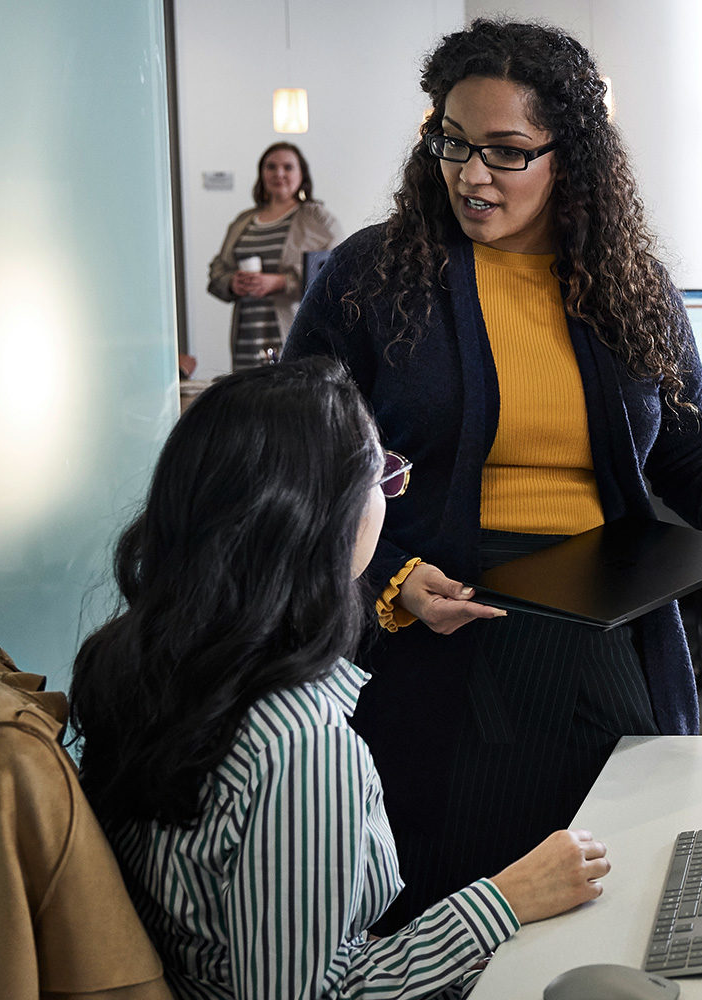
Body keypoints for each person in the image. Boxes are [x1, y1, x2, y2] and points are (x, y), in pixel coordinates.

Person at [284, 19, 702, 932]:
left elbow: (688, 444)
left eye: (507, 152)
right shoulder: (372, 277)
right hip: (441, 623)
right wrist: (391, 579)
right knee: (459, 894)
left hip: (606, 619)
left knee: (622, 883)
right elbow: (295, 463)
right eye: (451, 143)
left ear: (570, 155)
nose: (471, 175)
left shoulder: (626, 280)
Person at [70, 359, 612, 1000]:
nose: (388, 494)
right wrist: (507, 899)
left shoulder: (145, 658)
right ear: (325, 518)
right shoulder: (300, 746)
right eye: (382, 475)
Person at [205, 142, 342, 369]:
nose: (279, 173)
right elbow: (217, 270)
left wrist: (282, 282)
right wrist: (231, 282)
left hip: (293, 334)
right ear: (261, 174)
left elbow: (336, 272)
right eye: (271, 167)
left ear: (302, 174)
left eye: (288, 167)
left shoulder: (318, 219)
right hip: (247, 340)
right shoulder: (243, 221)